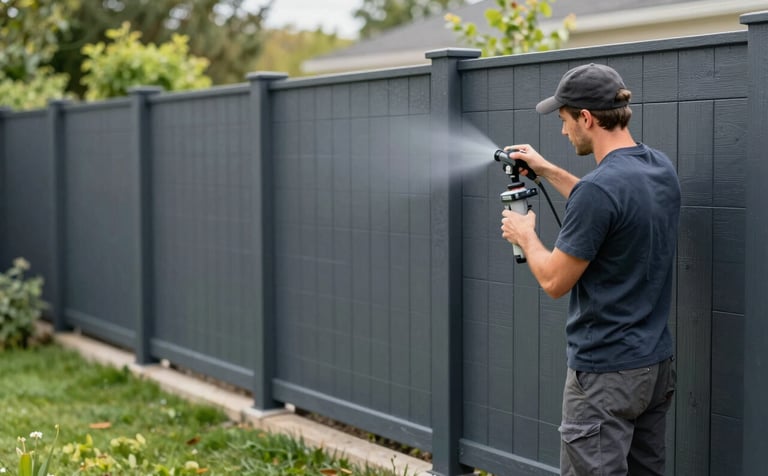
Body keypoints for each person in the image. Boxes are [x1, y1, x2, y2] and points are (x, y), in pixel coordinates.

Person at [499, 63, 680, 475]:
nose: (563, 132)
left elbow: (554, 280)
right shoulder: (658, 167)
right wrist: (547, 169)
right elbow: (608, 203)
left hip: (604, 375)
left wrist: (525, 235)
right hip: (653, 367)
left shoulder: (599, 191)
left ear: (586, 117)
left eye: (565, 121)